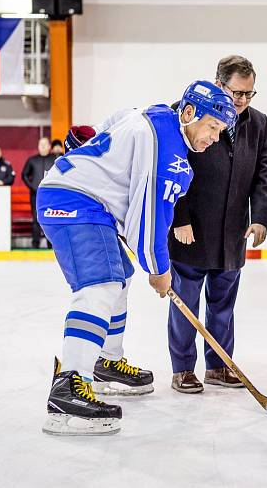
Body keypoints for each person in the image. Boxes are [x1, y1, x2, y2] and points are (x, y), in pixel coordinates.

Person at [36, 80, 236, 436]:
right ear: (189, 113)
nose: (215, 138)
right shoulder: (170, 152)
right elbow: (151, 220)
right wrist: (160, 270)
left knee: (120, 278)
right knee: (101, 285)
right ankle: (67, 388)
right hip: (74, 202)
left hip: (83, 200)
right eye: (213, 127)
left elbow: (113, 122)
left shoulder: (156, 115)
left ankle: (105, 363)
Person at [168, 56, 267, 393]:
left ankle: (218, 365)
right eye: (236, 92)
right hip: (192, 229)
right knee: (185, 302)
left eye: (249, 94)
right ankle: (183, 369)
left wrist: (259, 217)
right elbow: (173, 165)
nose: (242, 100)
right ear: (218, 84)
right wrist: (179, 218)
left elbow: (262, 172)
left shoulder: (258, 123)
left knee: (223, 304)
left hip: (232, 231)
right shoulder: (186, 111)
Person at [22, 137, 57, 248]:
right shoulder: (32, 160)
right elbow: (24, 175)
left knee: (51, 218)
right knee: (36, 218)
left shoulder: (55, 159)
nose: (42, 147)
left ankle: (51, 244)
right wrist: (32, 187)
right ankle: (35, 244)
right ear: (38, 146)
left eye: (45, 144)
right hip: (35, 194)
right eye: (40, 144)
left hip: (51, 195)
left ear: (49, 146)